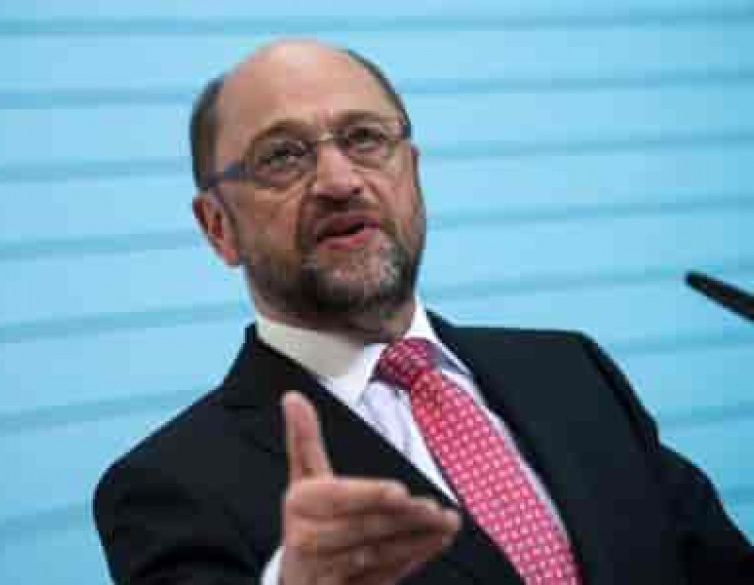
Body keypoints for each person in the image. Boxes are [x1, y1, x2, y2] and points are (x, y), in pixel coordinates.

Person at [93, 39, 753, 585]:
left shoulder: (573, 370)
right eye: (284, 155)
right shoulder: (167, 487)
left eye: (364, 138)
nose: (340, 180)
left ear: (412, 170)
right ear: (218, 228)